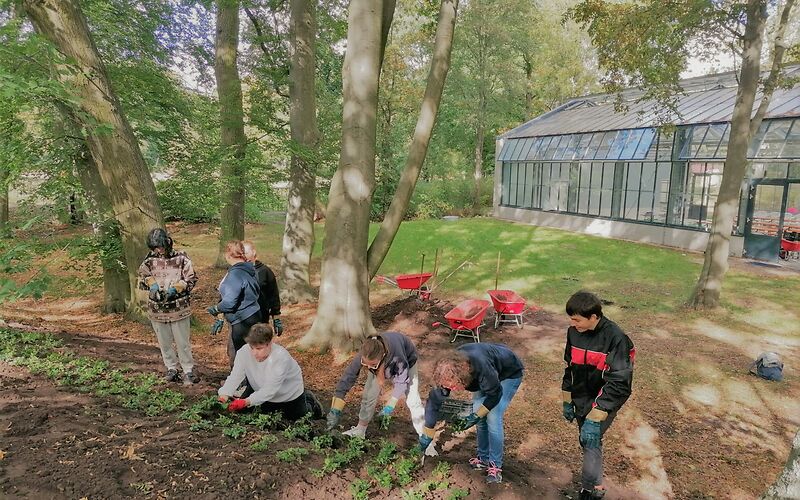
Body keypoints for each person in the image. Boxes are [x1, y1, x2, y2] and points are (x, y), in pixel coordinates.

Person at [561, 291, 634, 500]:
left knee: (591, 438)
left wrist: (598, 413)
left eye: (577, 319)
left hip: (604, 398)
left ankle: (590, 490)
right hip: (581, 396)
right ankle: (595, 483)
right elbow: (570, 368)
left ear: (594, 317)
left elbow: (620, 382)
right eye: (571, 318)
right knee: (586, 441)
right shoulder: (573, 332)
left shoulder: (616, 338)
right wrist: (567, 400)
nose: (572, 323)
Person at [420, 343, 524, 484]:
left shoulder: (481, 367)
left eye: (453, 385)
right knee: (481, 419)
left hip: (508, 374)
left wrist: (475, 416)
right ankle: (483, 458)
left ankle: (495, 467)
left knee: (493, 416)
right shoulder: (445, 374)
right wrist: (428, 433)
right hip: (484, 377)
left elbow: (495, 394)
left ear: (462, 376)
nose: (451, 388)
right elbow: (433, 404)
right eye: (447, 386)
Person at [326, 332, 425, 439]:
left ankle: (425, 437)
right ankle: (360, 429)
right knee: (369, 394)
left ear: (382, 356)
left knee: (413, 400)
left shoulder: (398, 358)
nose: (368, 367)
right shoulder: (367, 353)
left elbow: (401, 382)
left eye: (372, 365)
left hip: (408, 360)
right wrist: (336, 407)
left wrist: (390, 406)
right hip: (381, 361)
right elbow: (348, 376)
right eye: (365, 363)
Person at [218, 323, 322, 420]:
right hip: (260, 389)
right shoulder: (243, 353)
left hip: (289, 394)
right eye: (252, 347)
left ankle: (310, 402)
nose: (254, 353)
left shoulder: (281, 357)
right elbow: (235, 376)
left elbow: (270, 389)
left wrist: (246, 401)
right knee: (246, 413)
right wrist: (225, 394)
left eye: (259, 349)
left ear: (269, 344)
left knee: (299, 419)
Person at [137, 228, 199, 384]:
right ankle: (172, 368)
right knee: (164, 342)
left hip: (179, 308)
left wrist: (177, 288)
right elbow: (143, 276)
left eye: (160, 246)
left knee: (182, 342)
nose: (159, 250)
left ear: (167, 242)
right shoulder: (149, 259)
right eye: (155, 247)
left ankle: (188, 370)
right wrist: (151, 284)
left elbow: (191, 279)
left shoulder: (181, 257)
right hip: (157, 309)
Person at [207, 240, 261, 366]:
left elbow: (230, 302)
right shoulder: (250, 270)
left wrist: (216, 308)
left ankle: (244, 384)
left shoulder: (235, 274)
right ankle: (249, 383)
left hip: (242, 321)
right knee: (251, 354)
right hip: (254, 315)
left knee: (241, 355)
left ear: (228, 255)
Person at [242, 240, 283, 336]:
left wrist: (276, 318)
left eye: (246, 253)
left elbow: (273, 295)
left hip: (260, 318)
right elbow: (227, 294)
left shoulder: (265, 272)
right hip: (240, 321)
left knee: (259, 347)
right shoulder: (236, 272)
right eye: (242, 254)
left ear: (254, 252)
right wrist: (220, 316)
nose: (244, 256)